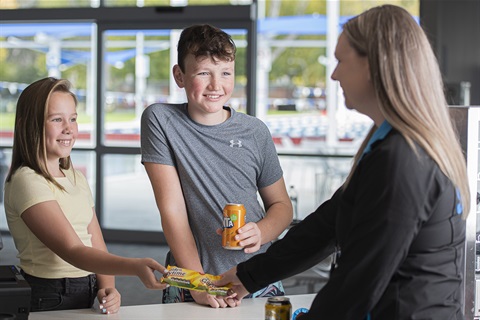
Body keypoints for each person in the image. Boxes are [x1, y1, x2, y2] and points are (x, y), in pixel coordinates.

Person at [216, 5, 470, 319]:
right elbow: (326, 227)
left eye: (340, 60)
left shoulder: (402, 160)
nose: (333, 74)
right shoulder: (390, 146)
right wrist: (248, 276)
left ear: (375, 64)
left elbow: (359, 280)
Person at [141, 24, 292, 308]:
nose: (216, 85)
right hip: (191, 276)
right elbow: (172, 210)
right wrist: (198, 282)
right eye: (203, 73)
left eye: (225, 73)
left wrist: (262, 231)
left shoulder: (255, 131)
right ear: (179, 76)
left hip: (256, 277)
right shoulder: (160, 120)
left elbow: (282, 206)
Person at [4, 77, 168, 314]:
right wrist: (134, 266)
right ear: (29, 124)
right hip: (48, 295)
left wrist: (107, 287)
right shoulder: (27, 180)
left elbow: (94, 241)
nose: (69, 128)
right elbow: (73, 250)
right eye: (56, 119)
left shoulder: (73, 176)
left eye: (73, 119)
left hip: (85, 287)